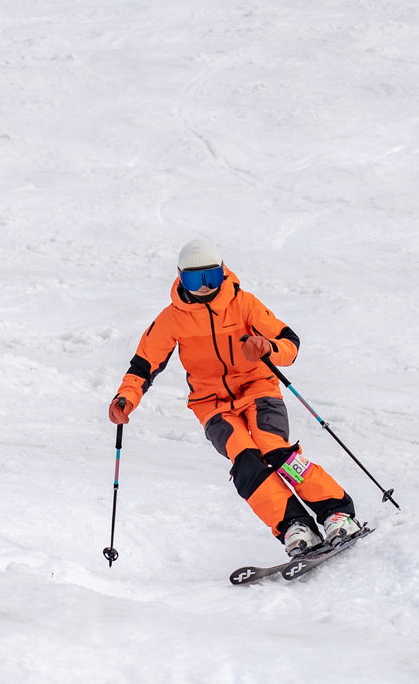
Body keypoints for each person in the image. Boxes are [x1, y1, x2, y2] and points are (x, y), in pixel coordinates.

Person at [107, 238, 359, 555]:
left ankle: (336, 512)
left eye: (210, 278)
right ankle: (295, 526)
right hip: (211, 406)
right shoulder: (172, 319)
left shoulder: (244, 304)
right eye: (193, 280)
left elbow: (288, 342)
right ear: (179, 277)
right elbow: (144, 365)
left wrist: (268, 348)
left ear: (223, 273)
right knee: (245, 460)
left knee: (273, 447)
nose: (202, 287)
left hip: (259, 390)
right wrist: (125, 398)